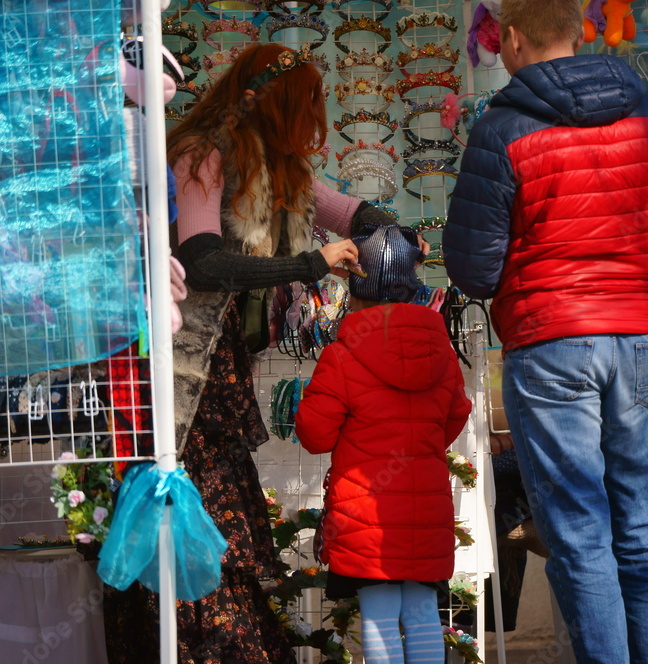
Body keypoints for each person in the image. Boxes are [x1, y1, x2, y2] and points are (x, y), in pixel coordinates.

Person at [101, 44, 420, 663]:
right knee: (188, 518)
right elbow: (204, 261)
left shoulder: (282, 170)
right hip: (180, 373)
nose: (314, 123)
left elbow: (347, 209)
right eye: (304, 107)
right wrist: (311, 262)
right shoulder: (202, 155)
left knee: (220, 527)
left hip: (223, 374)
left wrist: (396, 233)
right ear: (273, 106)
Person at [441, 1, 648, 662]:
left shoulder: (501, 129)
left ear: (516, 38)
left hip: (551, 338)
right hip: (638, 335)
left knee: (580, 536)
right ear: (581, 31)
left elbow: (473, 268)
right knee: (641, 528)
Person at [296, 224, 472, 664]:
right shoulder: (441, 348)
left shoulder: (343, 352)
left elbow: (315, 435)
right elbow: (456, 414)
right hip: (426, 507)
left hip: (365, 511)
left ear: (357, 289)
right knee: (421, 610)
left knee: (377, 614)